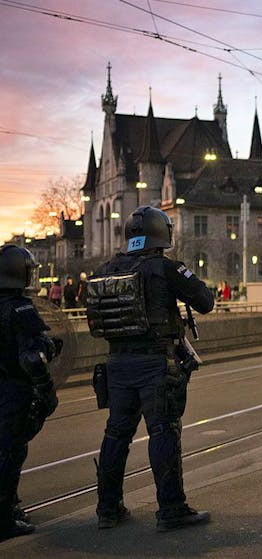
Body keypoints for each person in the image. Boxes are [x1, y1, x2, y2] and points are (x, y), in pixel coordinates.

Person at [86, 206, 215, 532]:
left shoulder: (106, 269)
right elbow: (205, 301)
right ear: (163, 235)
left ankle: (108, 508)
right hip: (155, 363)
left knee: (116, 433)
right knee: (163, 431)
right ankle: (171, 509)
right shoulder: (165, 269)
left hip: (116, 364)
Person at [0, 245, 60, 541]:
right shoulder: (20, 308)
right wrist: (46, 389)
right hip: (13, 389)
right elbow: (32, 357)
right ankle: (3, 517)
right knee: (11, 451)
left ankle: (8, 507)